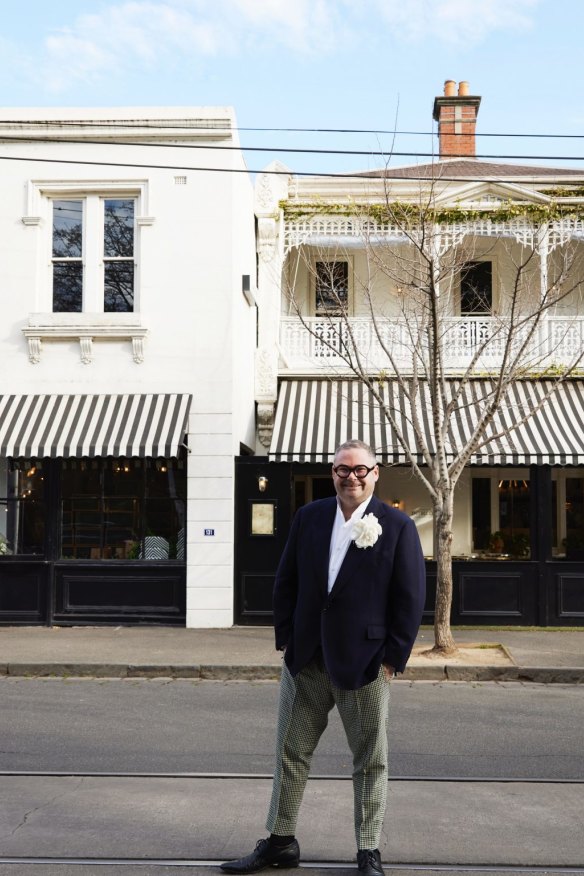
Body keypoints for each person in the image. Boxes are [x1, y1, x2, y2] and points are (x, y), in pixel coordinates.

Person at [221, 440, 426, 876]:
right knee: (288, 753)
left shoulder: (399, 526)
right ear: (331, 473)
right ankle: (280, 841)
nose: (350, 477)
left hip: (365, 663)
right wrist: (286, 639)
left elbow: (410, 600)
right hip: (306, 659)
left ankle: (368, 850)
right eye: (341, 470)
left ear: (375, 473)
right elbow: (287, 580)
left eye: (359, 470)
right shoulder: (308, 517)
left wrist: (391, 660)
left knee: (370, 760)